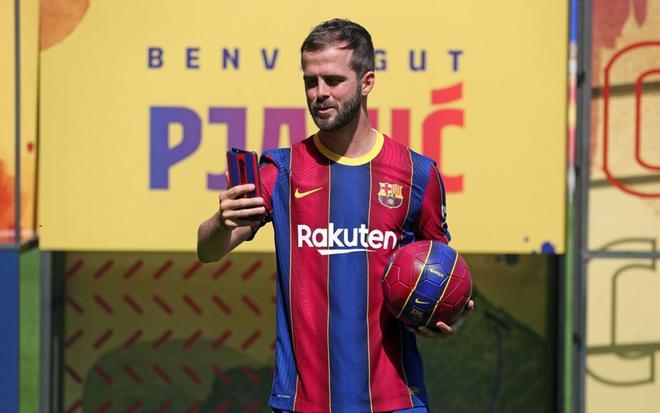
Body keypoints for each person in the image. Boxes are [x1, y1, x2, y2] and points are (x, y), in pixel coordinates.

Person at [198, 18, 473, 413]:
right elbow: (208, 250)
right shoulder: (280, 169)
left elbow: (441, 273)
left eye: (333, 80)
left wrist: (447, 316)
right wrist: (219, 221)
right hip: (303, 402)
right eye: (310, 81)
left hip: (394, 402)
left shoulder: (418, 174)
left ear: (367, 82)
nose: (319, 93)